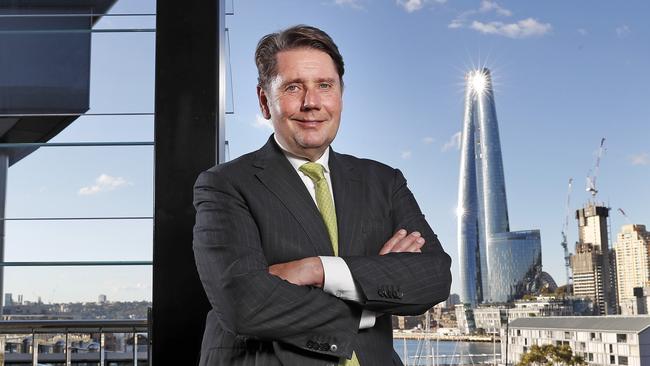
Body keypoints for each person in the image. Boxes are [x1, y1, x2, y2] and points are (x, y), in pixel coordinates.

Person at [193, 24, 452, 366]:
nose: (311, 103)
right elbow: (244, 304)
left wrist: (318, 270)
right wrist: (366, 304)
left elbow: (434, 276)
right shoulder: (224, 184)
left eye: (325, 86)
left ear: (340, 96)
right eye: (293, 87)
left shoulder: (383, 181)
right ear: (264, 101)